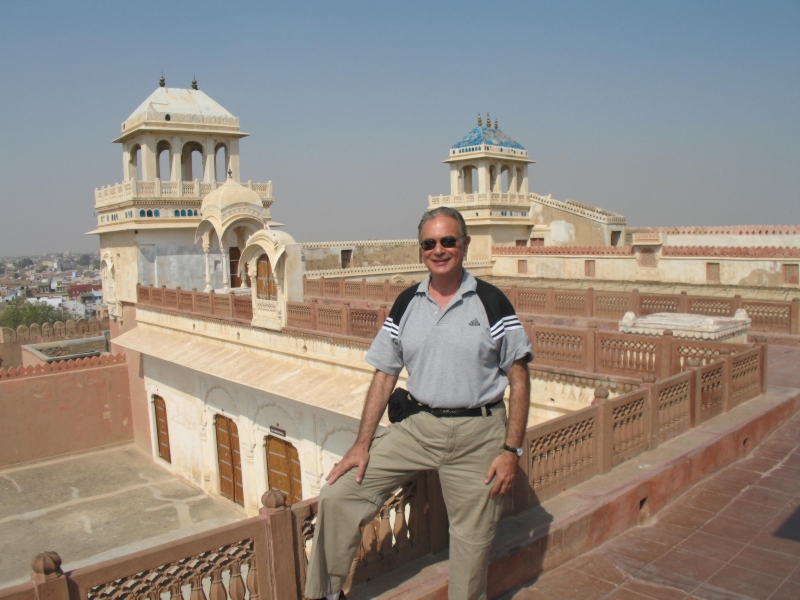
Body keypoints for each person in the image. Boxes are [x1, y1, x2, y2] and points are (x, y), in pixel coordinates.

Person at [305, 207, 533, 600]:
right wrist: (362, 444)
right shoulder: (407, 302)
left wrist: (511, 450)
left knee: (471, 542)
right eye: (430, 243)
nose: (439, 250)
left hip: (478, 435)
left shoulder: (491, 302)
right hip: (419, 428)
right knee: (339, 494)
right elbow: (385, 374)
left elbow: (519, 379)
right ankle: (325, 593)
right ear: (421, 250)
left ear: (464, 245)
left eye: (448, 241)